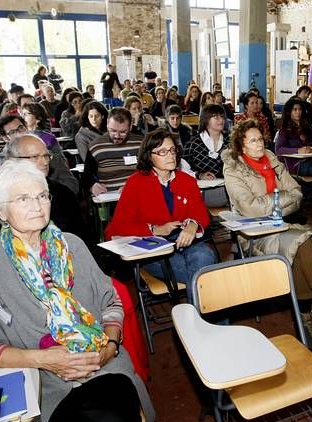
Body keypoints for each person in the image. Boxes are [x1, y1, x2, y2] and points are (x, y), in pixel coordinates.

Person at [0, 159, 155, 422]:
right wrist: (42, 359)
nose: (37, 206)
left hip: (105, 371)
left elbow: (110, 302)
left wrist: (109, 348)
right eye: (23, 199)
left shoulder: (73, 245)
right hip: (42, 388)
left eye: (42, 195)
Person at [223, 119, 312, 354]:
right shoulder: (233, 168)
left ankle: (305, 313)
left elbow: (297, 193)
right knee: (302, 243)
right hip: (256, 232)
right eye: (253, 141)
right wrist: (281, 200)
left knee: (301, 245)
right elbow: (250, 209)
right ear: (241, 145)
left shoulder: (271, 159)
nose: (260, 144)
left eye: (261, 139)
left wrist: (274, 205)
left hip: (285, 224)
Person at [105, 129, 217, 287]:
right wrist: (155, 229)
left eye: (172, 150)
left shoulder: (187, 181)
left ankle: (200, 296)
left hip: (187, 242)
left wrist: (193, 225)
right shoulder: (135, 183)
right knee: (202, 275)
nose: (170, 155)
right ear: (149, 156)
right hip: (154, 250)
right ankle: (207, 292)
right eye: (162, 152)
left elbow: (200, 213)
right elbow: (116, 228)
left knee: (204, 256)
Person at [0, 135, 86, 247]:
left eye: (46, 156)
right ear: (13, 160)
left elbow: (83, 240)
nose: (45, 162)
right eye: (35, 157)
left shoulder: (63, 194)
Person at [0, 115, 78, 204]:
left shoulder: (49, 156)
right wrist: (6, 202)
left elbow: (72, 184)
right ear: (5, 138)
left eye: (21, 128)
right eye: (13, 132)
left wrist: (47, 198)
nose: (20, 133)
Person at [84, 108, 143, 195]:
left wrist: (134, 185)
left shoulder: (141, 144)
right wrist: (92, 186)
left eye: (123, 132)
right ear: (107, 125)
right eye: (113, 131)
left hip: (138, 193)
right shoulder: (96, 147)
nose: (117, 136)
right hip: (109, 197)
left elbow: (152, 172)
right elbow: (86, 176)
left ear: (130, 127)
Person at [184, 104, 229, 207]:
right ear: (206, 119)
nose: (221, 120)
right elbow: (182, 171)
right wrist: (199, 175)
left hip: (229, 187)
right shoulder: (193, 144)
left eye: (222, 116)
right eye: (215, 116)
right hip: (202, 191)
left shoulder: (230, 141)